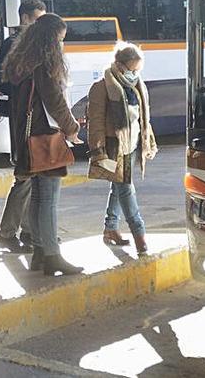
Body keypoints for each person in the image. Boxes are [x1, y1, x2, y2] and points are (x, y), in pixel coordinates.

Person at [5, 13, 84, 276]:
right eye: (60, 40)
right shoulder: (44, 65)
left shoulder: (22, 61)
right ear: (50, 40)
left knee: (38, 196)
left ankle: (39, 252)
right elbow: (55, 102)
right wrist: (72, 128)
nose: (61, 46)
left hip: (28, 138)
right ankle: (51, 255)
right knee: (48, 199)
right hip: (45, 137)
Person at [87, 43, 157, 254]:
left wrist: (149, 140)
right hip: (114, 146)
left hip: (132, 143)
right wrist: (97, 150)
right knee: (126, 188)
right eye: (131, 69)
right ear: (119, 65)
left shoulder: (137, 85)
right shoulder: (102, 87)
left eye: (137, 69)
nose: (134, 73)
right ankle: (139, 234)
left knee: (119, 187)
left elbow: (144, 118)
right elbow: (96, 121)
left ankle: (110, 229)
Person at [0, 0, 47, 254]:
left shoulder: (23, 45)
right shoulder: (18, 47)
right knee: (25, 177)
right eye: (36, 19)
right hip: (24, 122)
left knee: (30, 178)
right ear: (24, 18)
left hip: (27, 120)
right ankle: (8, 233)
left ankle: (26, 231)